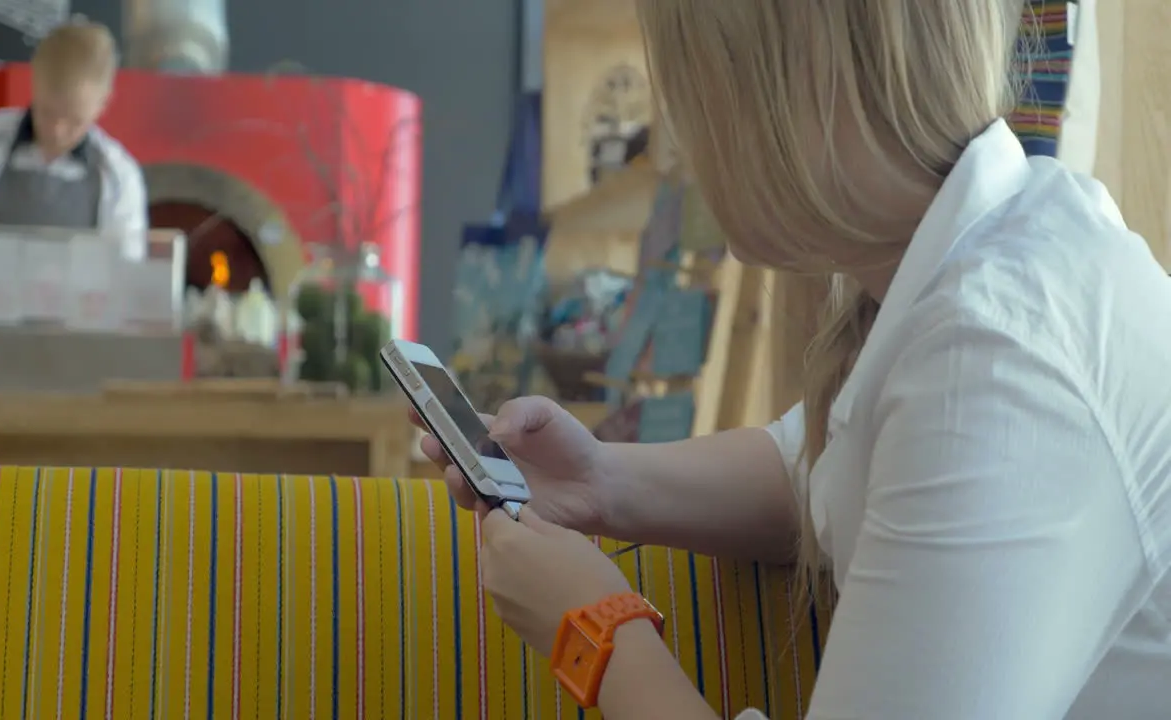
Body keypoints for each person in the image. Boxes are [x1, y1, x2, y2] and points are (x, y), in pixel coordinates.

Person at [415, 2, 1171, 719]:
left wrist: (595, 631)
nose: (675, 131)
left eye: (687, 87)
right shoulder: (997, 247)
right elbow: (817, 472)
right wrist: (604, 480)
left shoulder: (1001, 363)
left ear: (784, 90)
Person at [0, 21, 147, 252]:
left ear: (103, 103)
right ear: (35, 85)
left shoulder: (118, 175)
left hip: (76, 297)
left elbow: (127, 270)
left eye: (74, 120)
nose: (57, 131)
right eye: (47, 112)